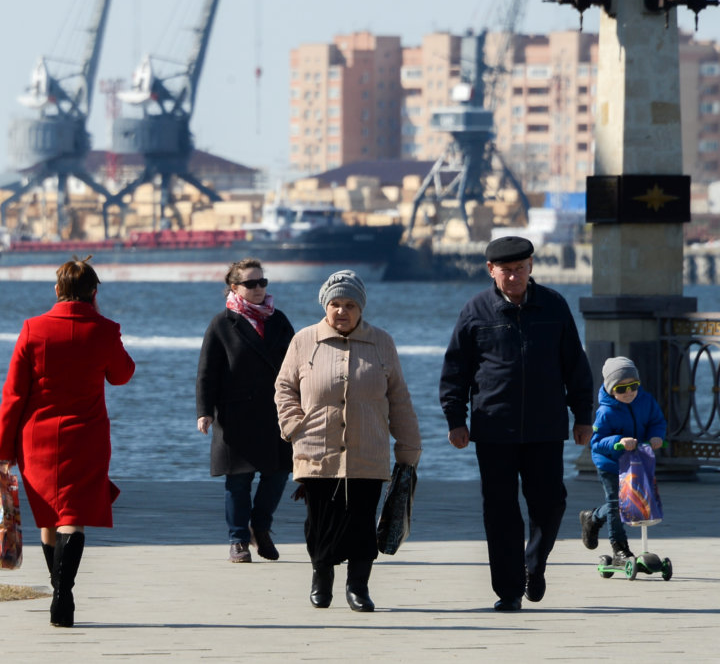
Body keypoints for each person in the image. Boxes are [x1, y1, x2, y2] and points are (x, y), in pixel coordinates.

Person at [439, 236, 593, 612]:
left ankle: (533, 565)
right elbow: (455, 371)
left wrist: (583, 416)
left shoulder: (554, 306)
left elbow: (576, 365)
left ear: (531, 267)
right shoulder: (475, 311)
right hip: (494, 428)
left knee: (551, 503)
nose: (513, 277)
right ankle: (508, 590)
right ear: (491, 271)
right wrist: (456, 419)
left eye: (520, 269)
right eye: (505, 271)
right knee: (500, 510)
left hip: (546, 426)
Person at [0, 255, 136, 628]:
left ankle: (58, 590)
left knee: (48, 515)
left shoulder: (32, 329)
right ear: (93, 292)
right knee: (73, 515)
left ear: (57, 290)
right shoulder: (105, 330)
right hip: (85, 436)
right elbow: (122, 375)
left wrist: (1, 453)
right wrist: (101, 320)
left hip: (36, 438)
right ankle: (64, 594)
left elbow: (13, 395)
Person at [274, 270, 421, 612]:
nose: (342, 311)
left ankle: (358, 587)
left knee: (360, 522)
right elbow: (284, 387)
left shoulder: (382, 342)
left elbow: (399, 396)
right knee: (319, 522)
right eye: (336, 304)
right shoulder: (304, 340)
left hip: (367, 450)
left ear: (361, 308)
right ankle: (321, 576)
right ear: (325, 306)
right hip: (315, 449)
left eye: (350, 305)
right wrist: (294, 425)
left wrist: (409, 446)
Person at [196, 259, 295, 563]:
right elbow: (207, 372)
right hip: (236, 413)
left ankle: (261, 527)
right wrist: (205, 411)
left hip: (276, 412)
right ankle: (238, 539)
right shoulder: (222, 324)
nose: (258, 289)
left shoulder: (278, 320)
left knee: (278, 473)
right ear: (234, 287)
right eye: (250, 284)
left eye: (262, 283)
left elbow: (297, 364)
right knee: (238, 479)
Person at [580, 356, 667, 559]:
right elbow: (597, 442)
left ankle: (592, 518)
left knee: (629, 501)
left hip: (635, 460)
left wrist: (656, 436)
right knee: (615, 504)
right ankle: (619, 548)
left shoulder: (646, 401)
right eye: (621, 389)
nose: (628, 392)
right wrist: (619, 440)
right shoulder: (606, 411)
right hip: (610, 462)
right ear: (611, 389)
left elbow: (657, 421)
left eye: (633, 386)